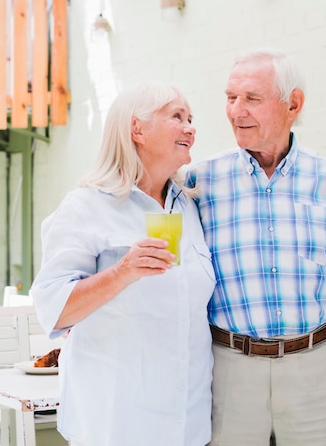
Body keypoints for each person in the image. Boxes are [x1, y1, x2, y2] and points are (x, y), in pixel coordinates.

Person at [187, 48, 326, 445]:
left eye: (251, 98)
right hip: (230, 370)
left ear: (293, 104)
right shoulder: (198, 183)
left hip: (317, 369)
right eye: (230, 98)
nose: (235, 111)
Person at [31, 82, 216, 446]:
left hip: (187, 422)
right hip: (116, 422)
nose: (190, 127)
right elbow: (53, 308)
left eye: (191, 118)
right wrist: (123, 271)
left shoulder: (189, 205)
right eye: (177, 116)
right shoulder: (87, 205)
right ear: (137, 129)